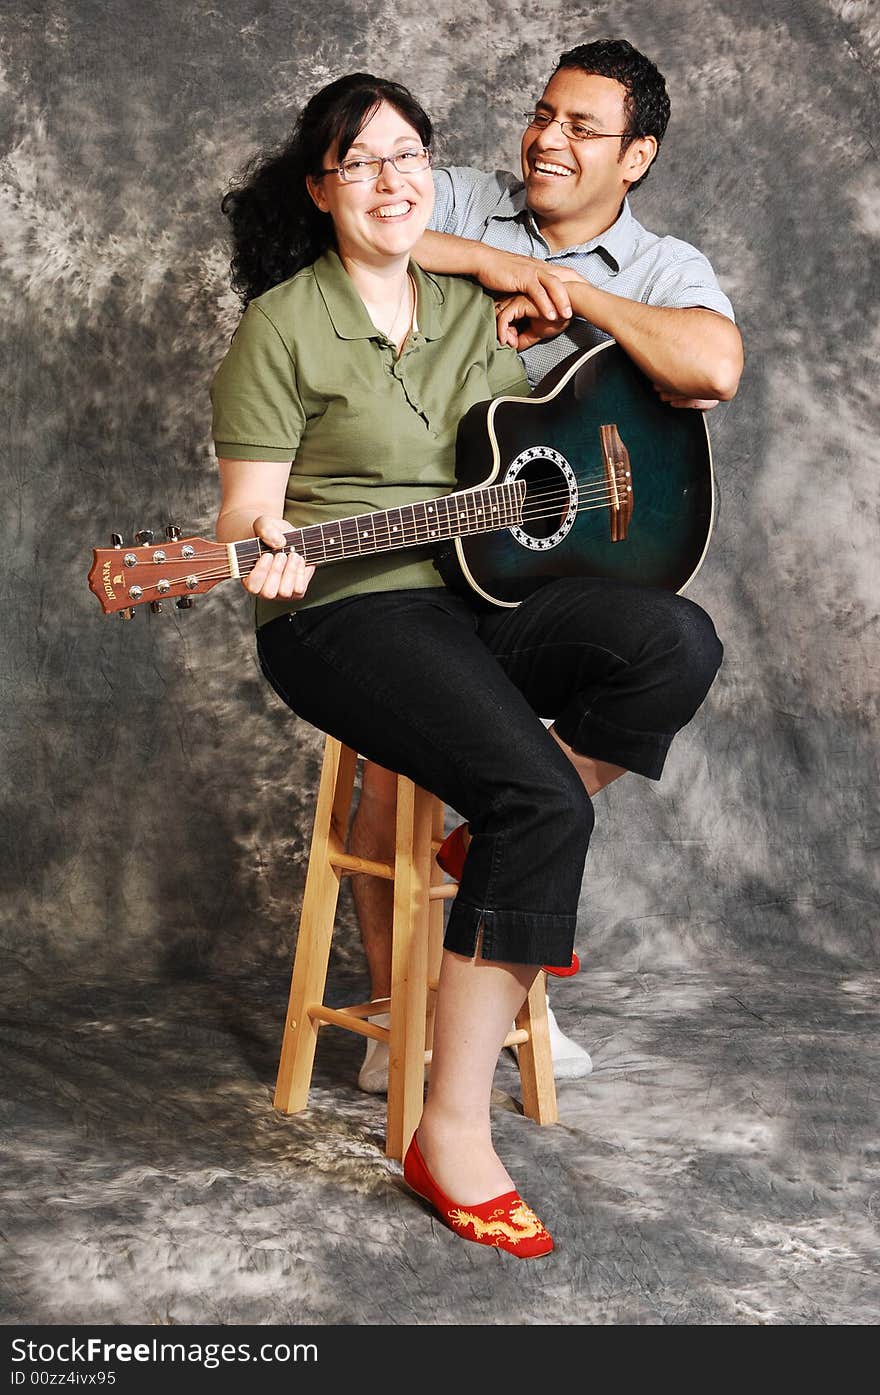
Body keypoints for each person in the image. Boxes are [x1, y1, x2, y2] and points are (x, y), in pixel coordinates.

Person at [212, 71, 724, 1257]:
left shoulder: (465, 305)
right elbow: (245, 518)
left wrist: (514, 285)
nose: (389, 182)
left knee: (674, 642)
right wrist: (260, 557)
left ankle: (496, 842)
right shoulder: (281, 325)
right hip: (343, 612)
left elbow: (538, 454)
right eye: (360, 164)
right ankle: (449, 1135)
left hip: (474, 594)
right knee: (536, 799)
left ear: (431, 176)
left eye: (409, 158)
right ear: (320, 189)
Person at [351, 38, 743, 1093]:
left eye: (581, 127)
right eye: (542, 113)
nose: (547, 139)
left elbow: (712, 364)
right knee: (400, 749)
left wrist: (578, 297)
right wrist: (493, 263)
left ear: (638, 157)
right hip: (413, 561)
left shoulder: (667, 267)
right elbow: (351, 219)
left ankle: (489, 898)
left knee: (678, 649)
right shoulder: (468, 200)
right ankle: (404, 1021)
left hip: (539, 590)